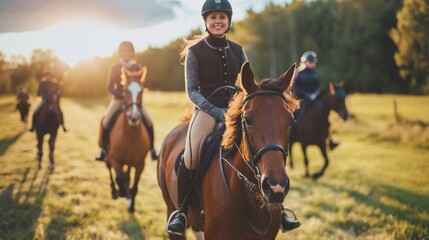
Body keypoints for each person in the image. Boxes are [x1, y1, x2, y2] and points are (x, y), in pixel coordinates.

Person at [165, 0, 300, 235]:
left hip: (236, 112)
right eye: (213, 17)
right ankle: (181, 210)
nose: (218, 21)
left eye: (222, 17)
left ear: (228, 21)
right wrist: (215, 110)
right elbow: (192, 91)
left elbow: (246, 82)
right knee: (192, 154)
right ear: (206, 21)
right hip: (207, 112)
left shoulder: (238, 50)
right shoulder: (195, 52)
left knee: (261, 148)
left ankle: (278, 208)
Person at [95, 41, 158, 161]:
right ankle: (103, 150)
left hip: (134, 101)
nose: (126, 53)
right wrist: (122, 95)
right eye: (123, 51)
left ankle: (152, 149)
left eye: (128, 51)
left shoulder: (137, 67)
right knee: (106, 120)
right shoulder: (114, 67)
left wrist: (135, 95)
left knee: (149, 120)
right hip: (119, 100)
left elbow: (141, 85)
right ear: (120, 53)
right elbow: (109, 86)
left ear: (132, 53)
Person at [292, 50, 339, 150]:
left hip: (314, 99)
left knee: (323, 114)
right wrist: (308, 95)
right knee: (297, 114)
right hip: (302, 99)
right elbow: (297, 88)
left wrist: (315, 94)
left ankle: (330, 140)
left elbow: (318, 86)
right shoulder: (299, 73)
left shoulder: (315, 73)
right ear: (304, 62)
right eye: (310, 62)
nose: (312, 63)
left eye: (313, 62)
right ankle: (292, 133)